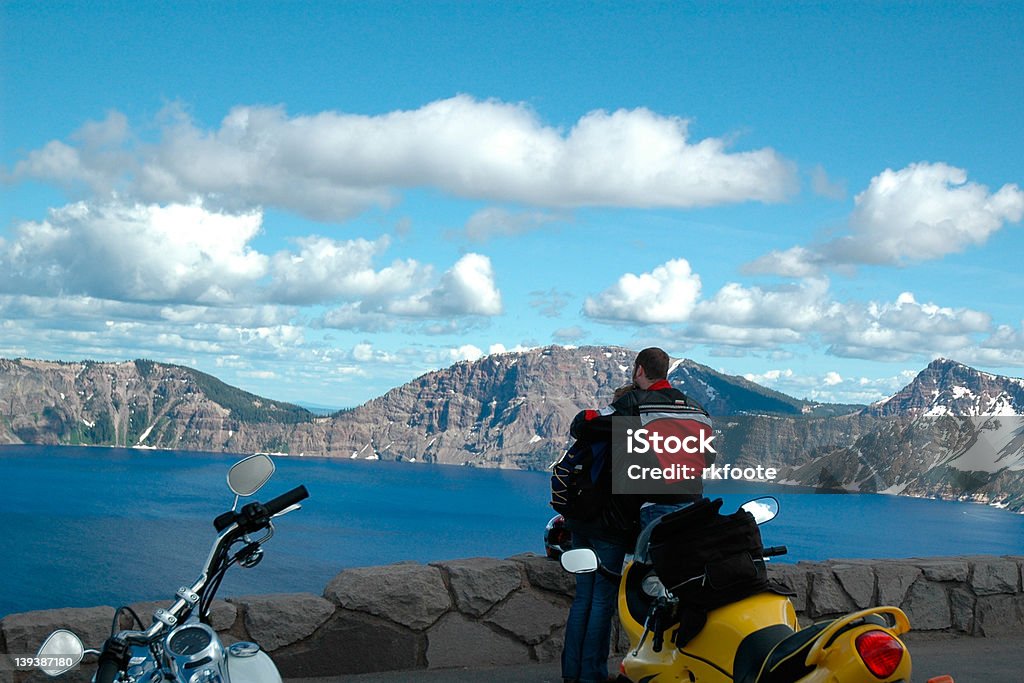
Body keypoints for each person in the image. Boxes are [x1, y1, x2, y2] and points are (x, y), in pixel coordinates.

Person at [560, 383, 636, 683]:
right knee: (602, 601)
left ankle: (572, 672)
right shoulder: (628, 435)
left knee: (583, 598)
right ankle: (592, 674)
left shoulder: (592, 430)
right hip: (608, 528)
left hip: (580, 523)